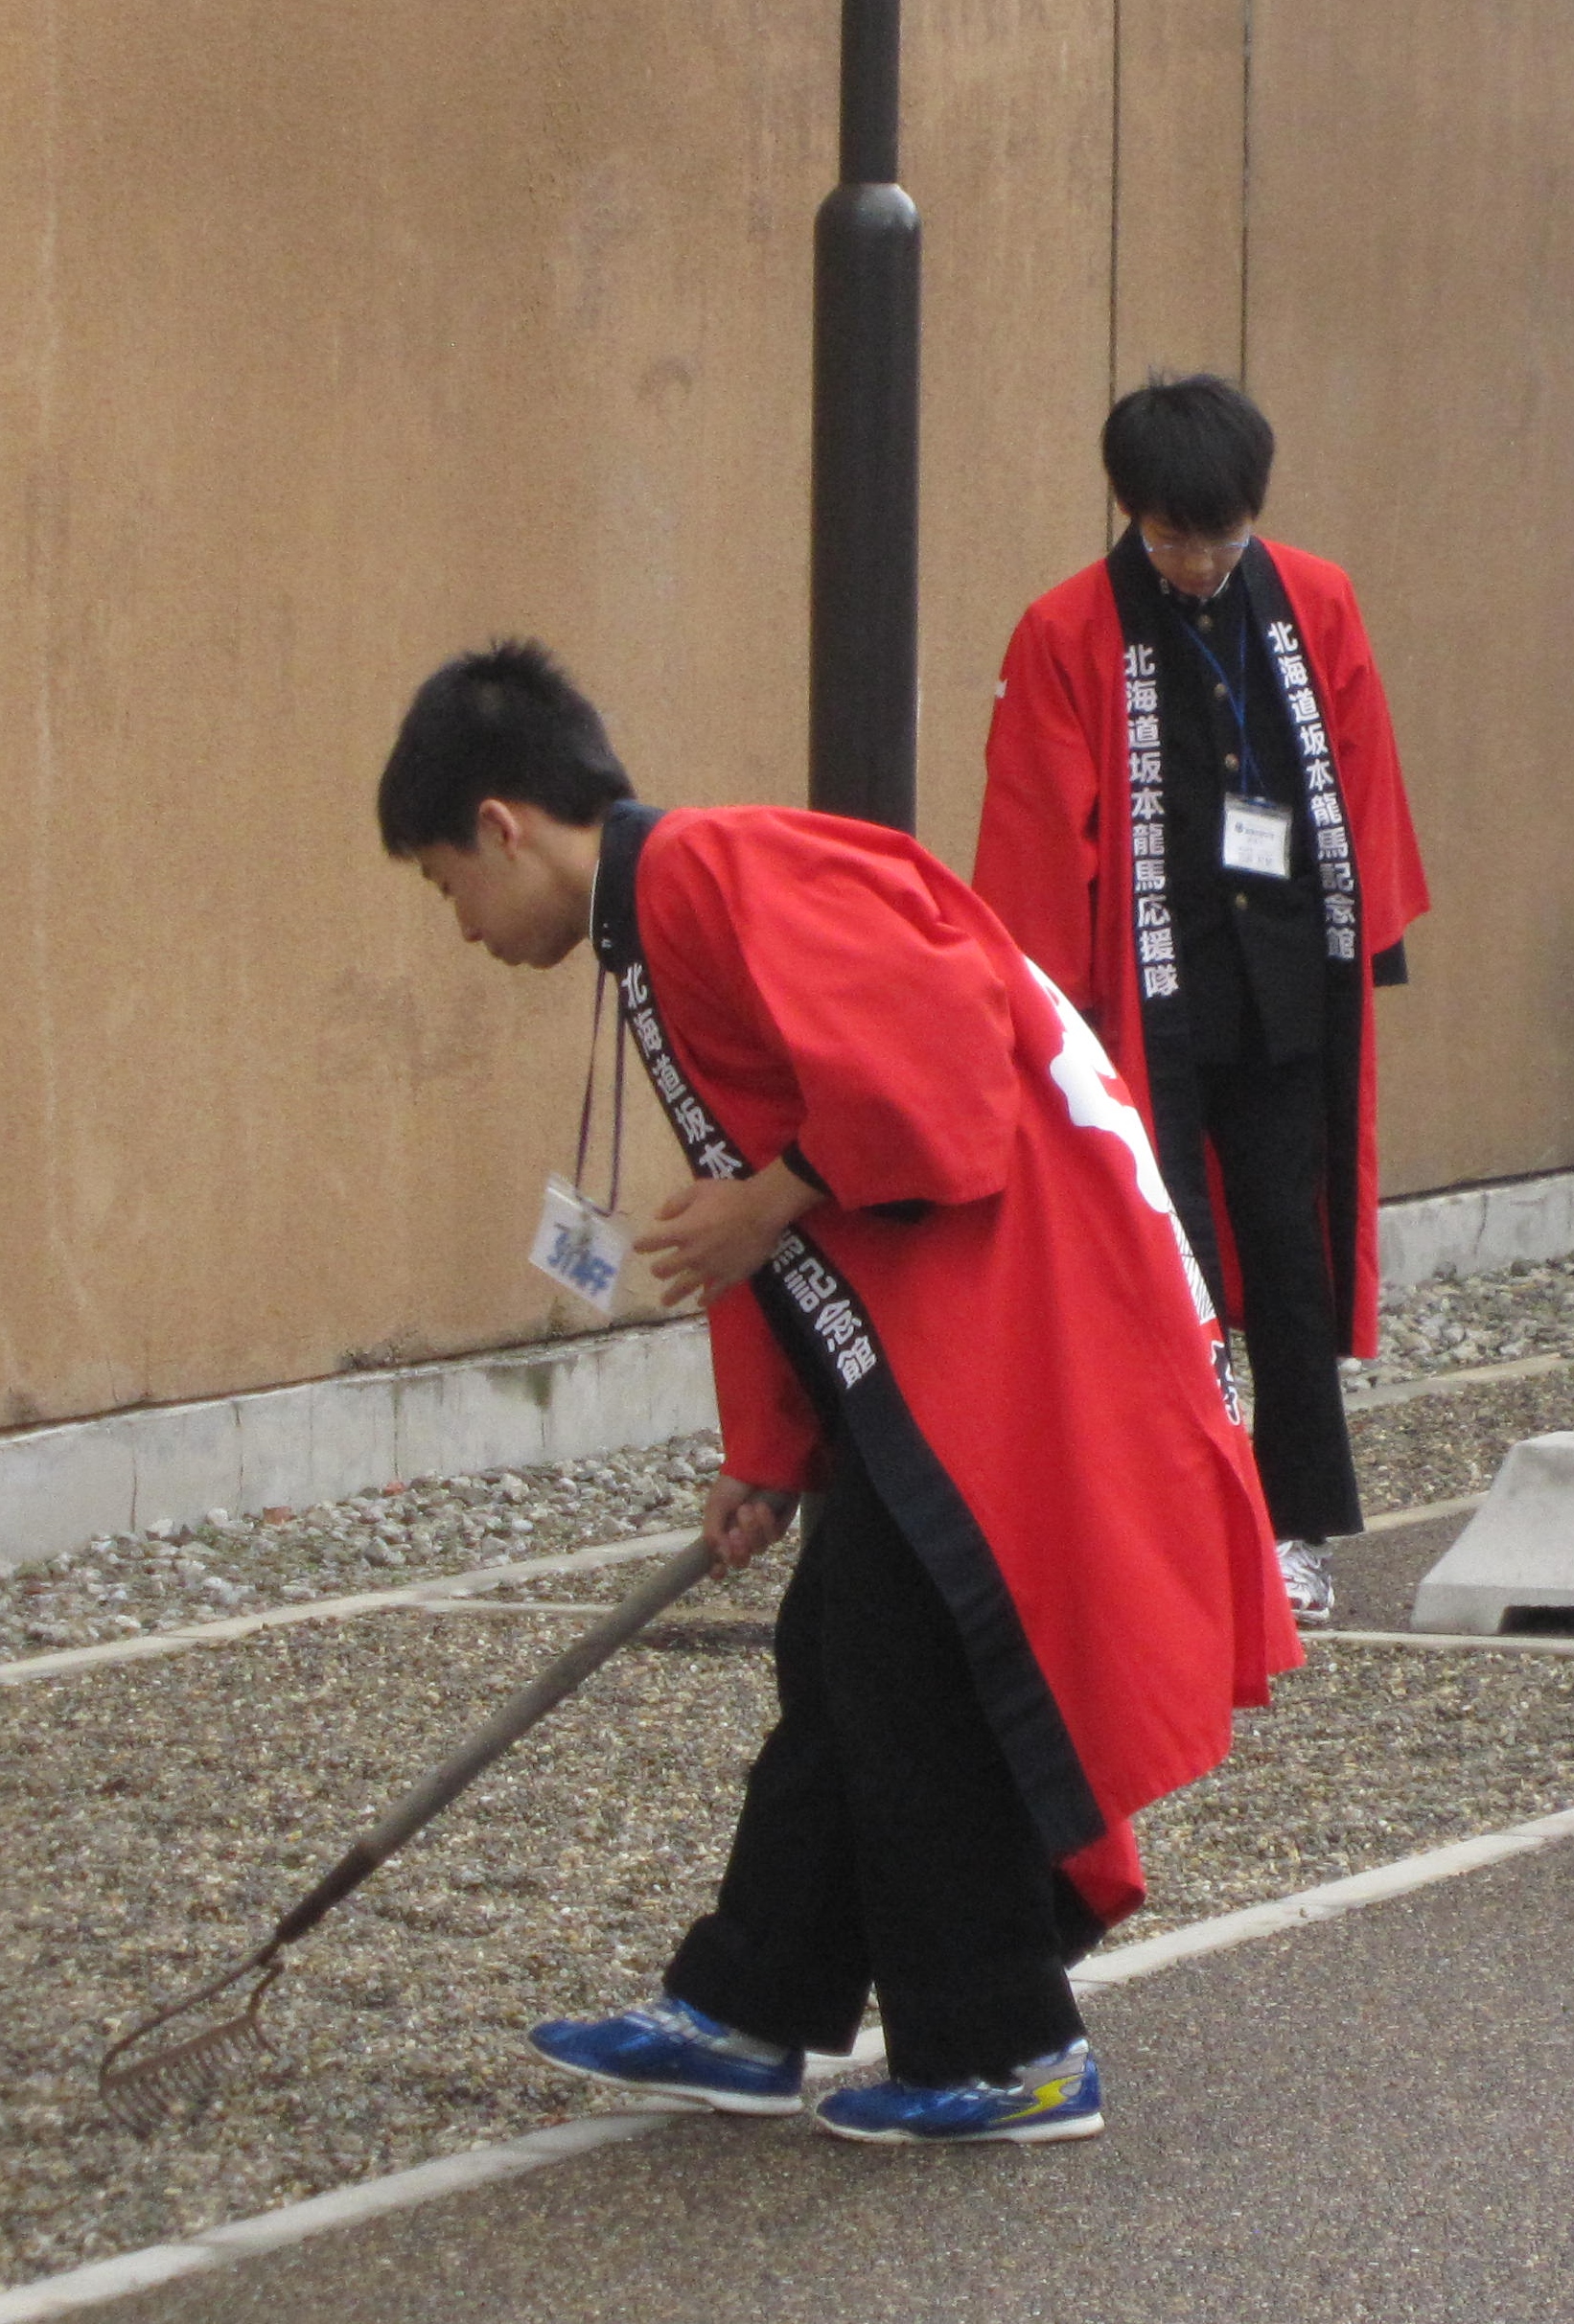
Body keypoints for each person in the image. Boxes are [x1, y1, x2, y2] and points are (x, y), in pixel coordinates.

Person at [377, 643, 1294, 2145]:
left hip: (1013, 1319)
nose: (463, 930)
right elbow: (766, 1221)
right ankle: (749, 2009)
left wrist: (775, 1197)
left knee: (899, 1666)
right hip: (937, 1337)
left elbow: (939, 1087)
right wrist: (773, 1454)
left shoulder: (721, 875)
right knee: (842, 1651)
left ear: (499, 825)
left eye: (443, 886)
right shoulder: (661, 921)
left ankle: (1008, 2048)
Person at [974, 375, 1428, 1625]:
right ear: (1130, 510)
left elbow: (1362, 758)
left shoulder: (1313, 598)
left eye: (1221, 539)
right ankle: (1176, 1522)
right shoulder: (1065, 630)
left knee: (1288, 1263)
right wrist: (1040, 1019)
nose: (1196, 564)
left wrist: (1366, 943)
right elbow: (1032, 825)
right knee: (1162, 1271)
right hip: (1144, 997)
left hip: (1284, 984)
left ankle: (1293, 1527)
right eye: (1173, 538)